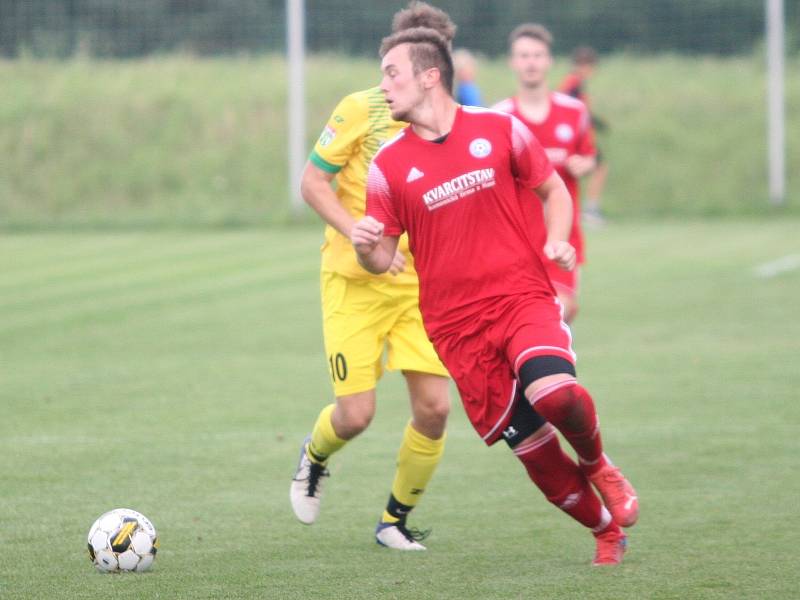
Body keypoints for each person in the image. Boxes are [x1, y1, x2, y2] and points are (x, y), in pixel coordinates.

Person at [352, 26, 638, 565]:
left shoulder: (500, 129)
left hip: (521, 298)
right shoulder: (387, 165)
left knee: (556, 394)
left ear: (430, 76)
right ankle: (605, 531)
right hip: (457, 332)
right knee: (533, 451)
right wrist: (366, 245)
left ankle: (599, 463)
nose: (383, 87)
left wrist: (556, 240)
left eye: (392, 73)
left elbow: (553, 188)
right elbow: (383, 258)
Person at [289, 2, 457, 552]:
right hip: (353, 284)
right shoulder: (362, 108)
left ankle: (393, 521)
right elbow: (313, 182)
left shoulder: (454, 123)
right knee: (357, 415)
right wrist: (360, 233)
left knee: (434, 410)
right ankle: (314, 457)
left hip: (420, 289)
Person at [493, 24, 596, 324]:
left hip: (561, 237)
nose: (531, 62)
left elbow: (589, 155)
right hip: (514, 242)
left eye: (538, 55)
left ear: (549, 61)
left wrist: (583, 164)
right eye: (524, 55)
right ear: (513, 62)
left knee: (558, 313)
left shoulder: (574, 111)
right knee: (521, 322)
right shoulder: (498, 117)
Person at [559, 46, 609, 226]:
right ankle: (590, 210)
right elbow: (569, 109)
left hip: (578, 135)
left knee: (593, 168)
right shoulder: (573, 84)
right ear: (583, 65)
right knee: (599, 168)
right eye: (591, 67)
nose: (592, 71)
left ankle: (581, 210)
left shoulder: (575, 83)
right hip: (573, 138)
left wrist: (595, 121)